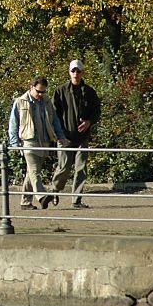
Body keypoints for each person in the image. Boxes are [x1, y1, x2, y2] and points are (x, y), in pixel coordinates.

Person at [8, 77, 69, 210]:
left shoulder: (46, 102)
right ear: (31, 87)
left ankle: (25, 202)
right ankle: (42, 197)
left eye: (43, 92)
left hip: (44, 141)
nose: (41, 95)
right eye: (39, 91)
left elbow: (55, 121)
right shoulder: (20, 102)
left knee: (32, 173)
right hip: (28, 142)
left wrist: (60, 136)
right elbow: (13, 123)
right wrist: (14, 143)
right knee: (34, 171)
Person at [49, 60, 102, 209]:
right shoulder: (60, 91)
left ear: (82, 73)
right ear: (69, 72)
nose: (76, 74)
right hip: (65, 136)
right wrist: (58, 135)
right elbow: (54, 114)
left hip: (82, 137)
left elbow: (97, 111)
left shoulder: (89, 92)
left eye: (78, 71)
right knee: (64, 167)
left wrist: (89, 122)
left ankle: (76, 200)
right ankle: (54, 190)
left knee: (81, 169)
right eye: (73, 71)